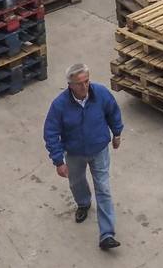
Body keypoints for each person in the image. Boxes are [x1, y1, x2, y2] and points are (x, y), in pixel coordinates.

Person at [43, 63, 124, 251]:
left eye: (87, 81)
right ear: (70, 85)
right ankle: (83, 203)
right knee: (76, 182)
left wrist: (117, 132)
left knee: (103, 188)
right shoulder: (59, 105)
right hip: (75, 153)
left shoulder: (101, 94)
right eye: (79, 83)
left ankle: (107, 234)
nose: (85, 86)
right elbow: (51, 132)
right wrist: (58, 161)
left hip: (99, 150)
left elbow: (113, 111)